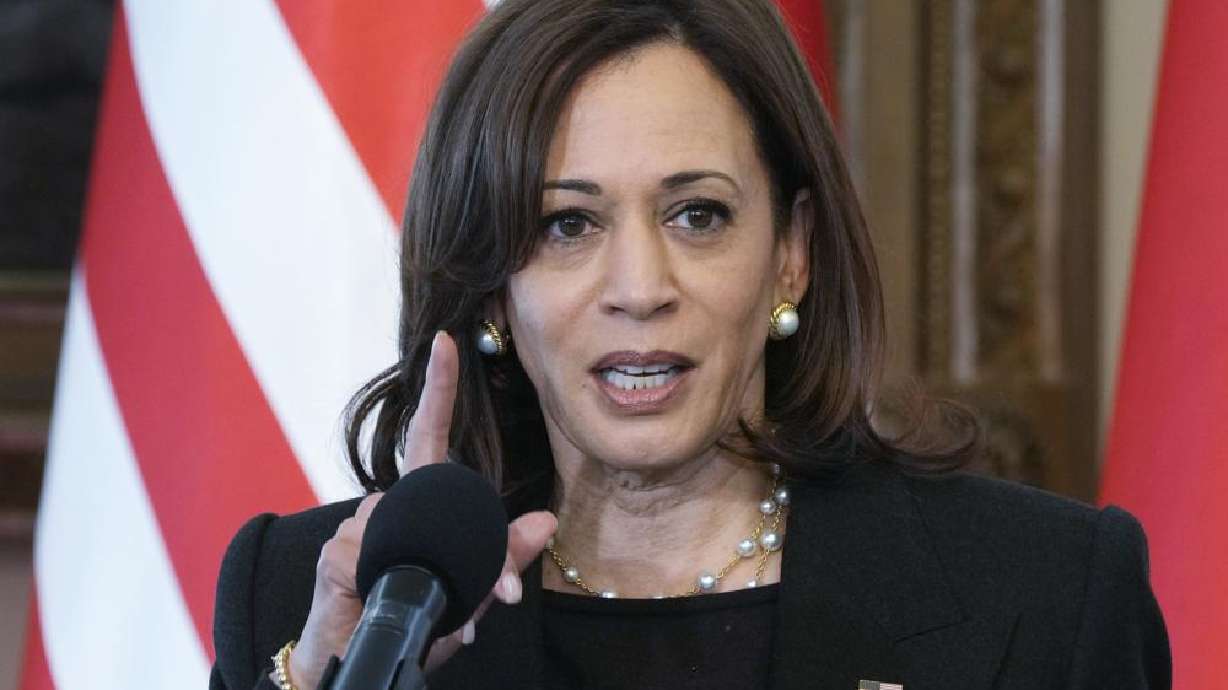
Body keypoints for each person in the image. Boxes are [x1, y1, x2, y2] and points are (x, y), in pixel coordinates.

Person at [210, 0, 1171, 688]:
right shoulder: (305, 597)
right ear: (491, 287)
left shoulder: (1049, 591)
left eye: (698, 214)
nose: (640, 289)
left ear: (791, 255)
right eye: (567, 226)